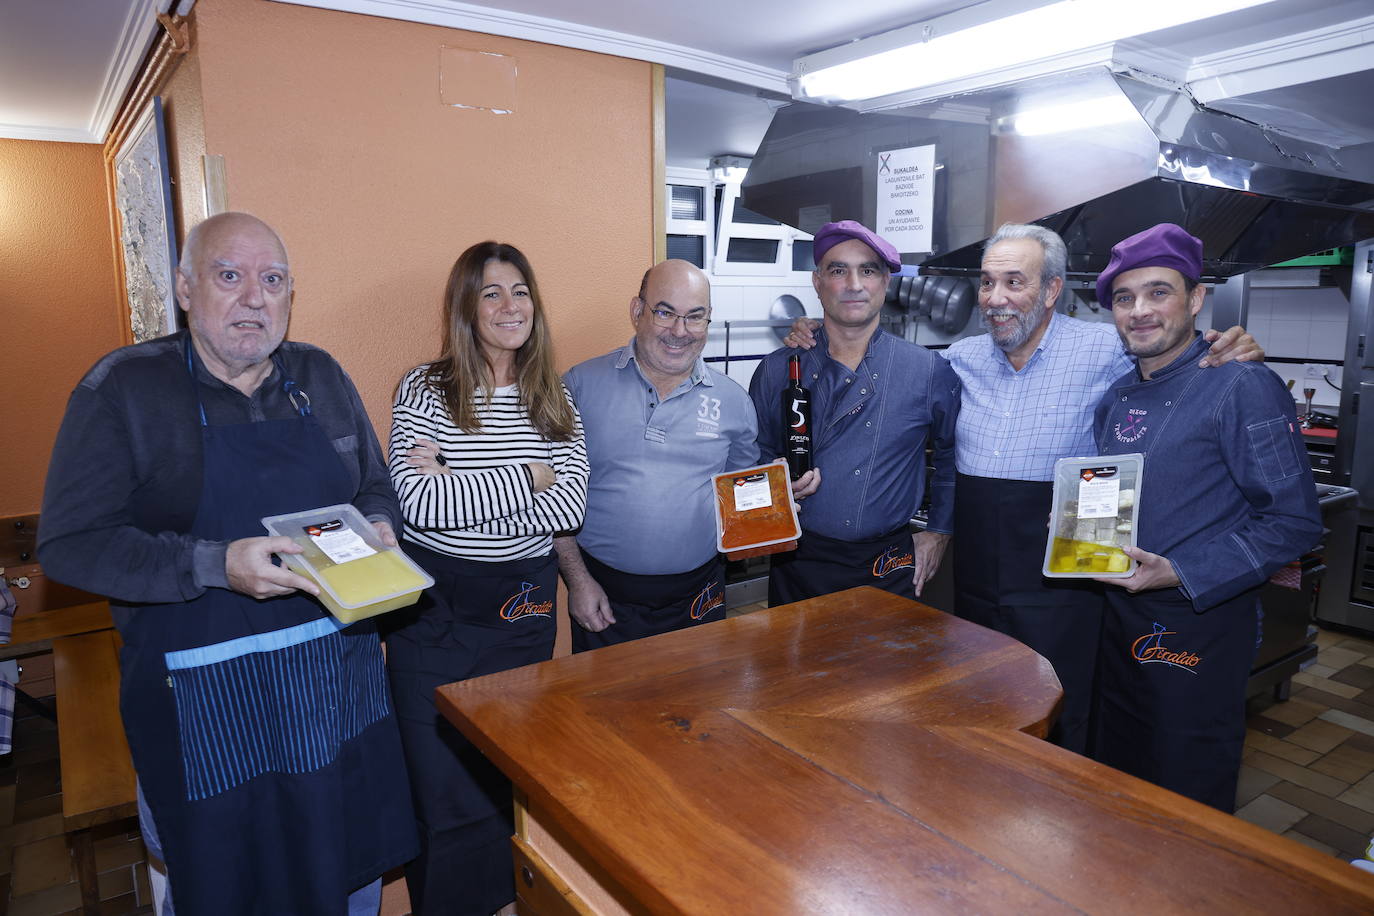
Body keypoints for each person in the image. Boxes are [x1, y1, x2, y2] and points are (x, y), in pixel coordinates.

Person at [38, 212, 417, 915]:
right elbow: (70, 542)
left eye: (272, 280)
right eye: (230, 276)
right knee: (224, 886)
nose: (254, 298)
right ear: (185, 287)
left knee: (349, 879)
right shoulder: (124, 389)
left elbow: (372, 486)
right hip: (207, 711)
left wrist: (379, 529)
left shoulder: (321, 375)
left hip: (333, 696)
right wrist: (216, 564)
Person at [783, 222, 1260, 754]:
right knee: (980, 700)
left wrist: (1224, 343)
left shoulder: (1109, 347)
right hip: (980, 571)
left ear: (1053, 290)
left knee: (1062, 708)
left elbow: (1173, 352)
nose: (996, 298)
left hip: (1066, 571)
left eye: (1015, 282)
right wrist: (814, 331)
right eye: (988, 283)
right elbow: (919, 421)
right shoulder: (958, 360)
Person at [384, 242, 588, 915]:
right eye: (492, 292)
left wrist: (462, 480)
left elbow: (571, 506)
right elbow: (419, 504)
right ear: (465, 307)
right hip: (434, 617)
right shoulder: (425, 389)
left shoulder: (553, 397)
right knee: (439, 790)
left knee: (508, 781)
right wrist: (528, 474)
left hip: (522, 611)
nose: (510, 307)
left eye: (520, 291)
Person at [1090, 223, 1320, 811]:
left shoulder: (1244, 385)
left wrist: (1178, 571)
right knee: (1117, 776)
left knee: (1183, 787)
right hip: (1117, 617)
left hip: (1198, 620)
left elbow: (1294, 522)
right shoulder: (1115, 396)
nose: (1139, 310)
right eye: (1124, 297)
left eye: (1158, 292)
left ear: (1195, 300)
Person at [751, 220, 959, 606]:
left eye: (868, 270)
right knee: (792, 666)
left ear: (886, 283)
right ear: (817, 283)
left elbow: (951, 456)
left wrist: (939, 531)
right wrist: (775, 481)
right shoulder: (778, 369)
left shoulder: (927, 370)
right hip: (799, 562)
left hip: (889, 566)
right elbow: (754, 454)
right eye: (837, 270)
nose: (854, 284)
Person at [555, 260, 758, 651]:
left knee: (696, 708)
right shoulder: (579, 386)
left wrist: (777, 501)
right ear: (637, 312)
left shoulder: (735, 401)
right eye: (665, 312)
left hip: (701, 599)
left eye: (695, 317)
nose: (680, 332)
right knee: (603, 710)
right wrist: (578, 581)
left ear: (708, 321)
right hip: (603, 598)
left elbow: (740, 506)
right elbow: (552, 496)